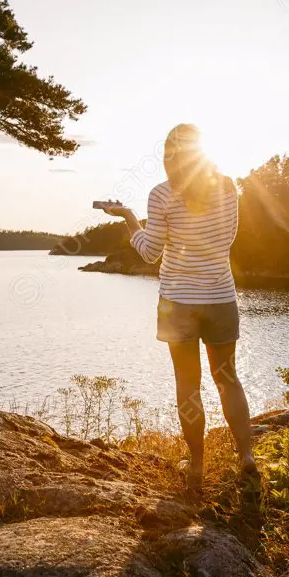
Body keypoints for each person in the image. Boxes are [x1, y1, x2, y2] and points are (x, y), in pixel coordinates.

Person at [103, 124, 256, 492]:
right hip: (221, 298)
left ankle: (198, 466)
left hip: (178, 304)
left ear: (170, 156)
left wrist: (128, 218)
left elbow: (150, 252)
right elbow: (228, 238)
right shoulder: (227, 188)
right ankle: (247, 458)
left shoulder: (161, 194)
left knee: (188, 386)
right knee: (228, 380)